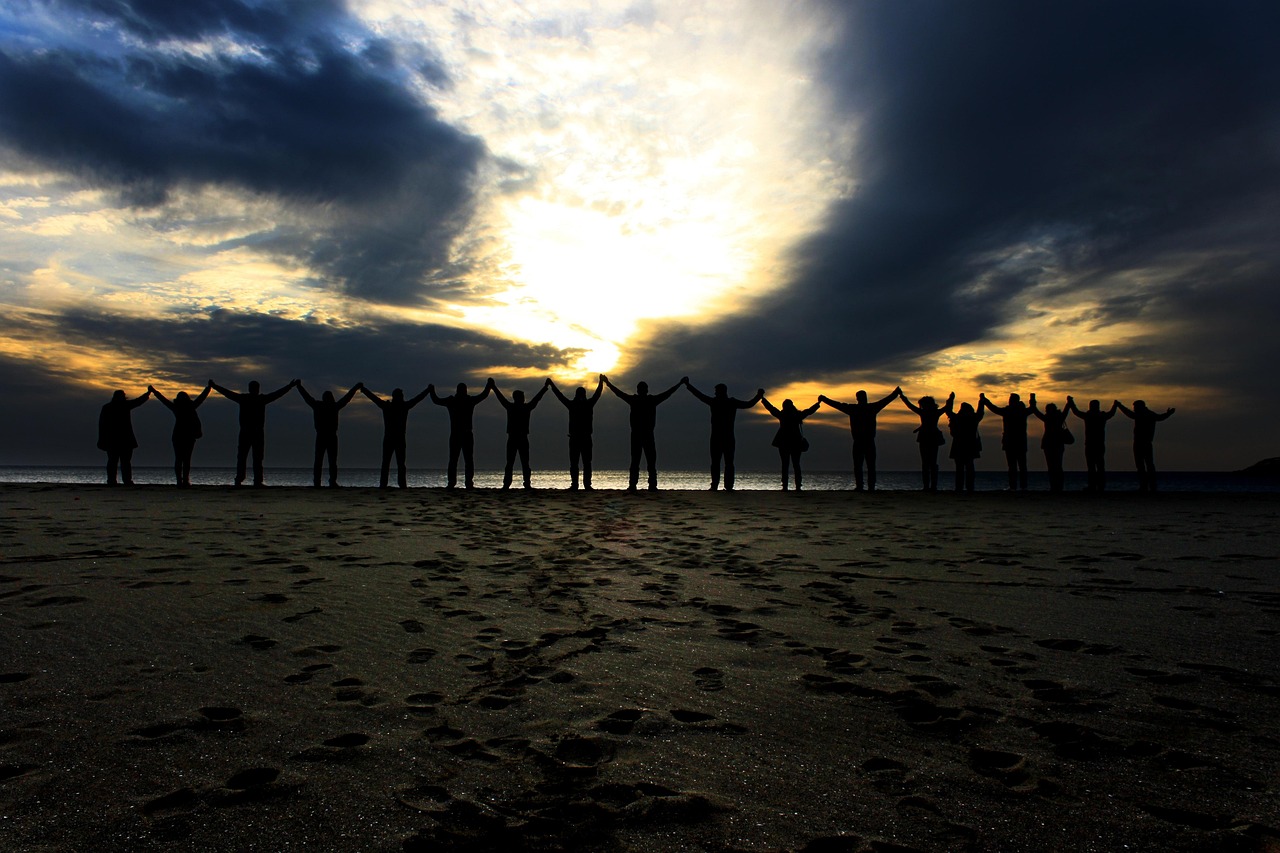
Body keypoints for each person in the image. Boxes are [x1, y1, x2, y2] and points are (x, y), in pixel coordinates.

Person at [210, 379, 297, 487]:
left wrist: (215, 386)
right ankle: (250, 480)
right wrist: (289, 386)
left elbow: (229, 394)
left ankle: (247, 479)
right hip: (253, 432)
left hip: (250, 432)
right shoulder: (257, 399)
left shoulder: (248, 399)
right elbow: (276, 395)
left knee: (250, 457)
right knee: (251, 457)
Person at [603, 376, 685, 491]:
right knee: (641, 461)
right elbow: (668, 393)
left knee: (645, 461)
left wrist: (679, 383)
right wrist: (608, 383)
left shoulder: (644, 400)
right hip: (641, 435)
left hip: (644, 434)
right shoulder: (643, 400)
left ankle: (642, 485)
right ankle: (640, 485)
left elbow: (668, 393)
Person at [818, 387, 902, 491]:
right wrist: (895, 393)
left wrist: (824, 399)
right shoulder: (870, 408)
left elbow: (838, 405)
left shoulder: (855, 409)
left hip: (861, 441)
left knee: (860, 466)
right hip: (866, 441)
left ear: (857, 398)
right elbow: (885, 401)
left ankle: (861, 486)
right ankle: (869, 487)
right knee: (868, 466)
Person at [685, 381, 764, 490]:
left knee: (721, 462)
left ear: (721, 392)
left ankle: (719, 485)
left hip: (721, 437)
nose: (715, 394)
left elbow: (700, 396)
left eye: (716, 392)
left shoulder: (719, 402)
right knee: (724, 463)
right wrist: (759, 396)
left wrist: (688, 385)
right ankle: (725, 485)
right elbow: (748, 404)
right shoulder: (727, 402)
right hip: (725, 437)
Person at [361, 385, 430, 488]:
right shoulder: (398, 406)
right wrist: (428, 390)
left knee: (393, 464)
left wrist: (364, 390)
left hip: (394, 438)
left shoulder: (392, 406)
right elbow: (417, 399)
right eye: (400, 396)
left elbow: (374, 398)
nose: (401, 397)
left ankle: (391, 484)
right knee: (395, 464)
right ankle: (395, 484)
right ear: (397, 397)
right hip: (395, 438)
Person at [297, 382, 362, 488]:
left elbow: (307, 397)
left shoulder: (322, 406)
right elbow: (346, 398)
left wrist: (299, 386)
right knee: (329, 461)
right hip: (328, 436)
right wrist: (355, 388)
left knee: (323, 460)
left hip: (325, 435)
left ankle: (320, 482)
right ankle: (327, 481)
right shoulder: (332, 406)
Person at [429, 381, 493, 489]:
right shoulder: (463, 401)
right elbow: (483, 395)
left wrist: (431, 391)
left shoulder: (455, 401)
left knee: (459, 459)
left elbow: (436, 400)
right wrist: (489, 385)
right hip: (461, 434)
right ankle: (460, 483)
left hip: (460, 434)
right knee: (462, 459)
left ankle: (458, 482)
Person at [490, 378, 550, 490]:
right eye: (522, 397)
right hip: (517, 437)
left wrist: (493, 387)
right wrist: (545, 387)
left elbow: (536, 399)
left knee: (517, 463)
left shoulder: (515, 407)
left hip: (517, 437)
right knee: (517, 463)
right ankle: (517, 483)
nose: (523, 399)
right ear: (518, 398)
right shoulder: (520, 407)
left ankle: (514, 484)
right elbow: (536, 399)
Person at [149, 381, 211, 486]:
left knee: (179, 459)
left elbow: (163, 400)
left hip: (178, 436)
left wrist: (154, 391)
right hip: (188, 436)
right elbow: (202, 397)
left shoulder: (176, 407)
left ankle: (180, 480)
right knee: (186, 459)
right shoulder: (190, 407)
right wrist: (208, 388)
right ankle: (185, 480)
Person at [548, 376, 604, 490]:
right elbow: (560, 396)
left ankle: (584, 485)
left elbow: (560, 396)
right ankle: (578, 485)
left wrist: (601, 382)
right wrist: (601, 382)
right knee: (577, 463)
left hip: (583, 438)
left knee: (584, 463)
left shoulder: (582, 405)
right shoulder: (578, 405)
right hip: (577, 438)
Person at [761, 396, 821, 490]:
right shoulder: (797, 415)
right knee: (796, 464)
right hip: (795, 442)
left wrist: (763, 400)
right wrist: (818, 404)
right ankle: (798, 486)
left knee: (785, 465)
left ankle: (785, 486)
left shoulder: (782, 415)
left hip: (784, 443)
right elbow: (809, 411)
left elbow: (771, 409)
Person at [980, 392, 1036, 490]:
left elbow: (994, 409)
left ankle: (1016, 486)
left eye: (1011, 399)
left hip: (1013, 442)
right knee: (1018, 466)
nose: (1009, 401)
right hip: (1017, 442)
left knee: (1015, 466)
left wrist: (985, 400)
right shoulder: (1020, 411)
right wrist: (1032, 398)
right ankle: (1020, 486)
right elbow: (1032, 408)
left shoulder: (1010, 411)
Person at [1116, 400, 1175, 492]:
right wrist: (1168, 414)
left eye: (1135, 407)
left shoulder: (1142, 414)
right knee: (1148, 465)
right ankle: (1151, 486)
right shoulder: (1150, 414)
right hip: (1146, 443)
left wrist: (1119, 406)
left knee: (1142, 465)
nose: (1134, 409)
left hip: (1141, 443)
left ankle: (1145, 486)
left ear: (1139, 407)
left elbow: (1130, 414)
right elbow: (1160, 417)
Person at [97, 387, 151, 485]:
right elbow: (138, 401)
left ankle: (113, 480)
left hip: (113, 439)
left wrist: (102, 439)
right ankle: (124, 480)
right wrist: (148, 393)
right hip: (123, 439)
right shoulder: (124, 405)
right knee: (123, 462)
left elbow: (101, 425)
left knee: (114, 461)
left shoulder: (108, 407)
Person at [902, 392, 954, 491]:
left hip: (926, 437)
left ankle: (928, 486)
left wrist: (902, 397)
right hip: (931, 437)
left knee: (927, 462)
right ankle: (931, 486)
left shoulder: (925, 412)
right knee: (931, 462)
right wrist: (951, 399)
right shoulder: (935, 412)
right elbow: (947, 407)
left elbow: (910, 406)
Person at [1066, 397, 1119, 492]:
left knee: (1092, 466)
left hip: (1091, 444)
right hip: (1098, 444)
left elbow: (1076, 412)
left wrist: (1071, 403)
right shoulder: (1101, 416)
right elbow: (1111, 413)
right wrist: (1115, 405)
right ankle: (1100, 486)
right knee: (1099, 466)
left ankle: (1093, 486)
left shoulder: (1089, 416)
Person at [1031, 399, 1072, 492]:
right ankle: (1058, 486)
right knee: (1057, 466)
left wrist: (1032, 400)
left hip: (1050, 444)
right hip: (1057, 444)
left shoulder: (1048, 418)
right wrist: (1069, 403)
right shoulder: (1060, 417)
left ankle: (1054, 486)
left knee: (1052, 466)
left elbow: (1036, 411)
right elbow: (1066, 410)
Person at [946, 400, 984, 493]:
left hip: (959, 446)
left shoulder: (956, 418)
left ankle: (959, 487)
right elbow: (980, 412)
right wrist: (981, 401)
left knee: (960, 468)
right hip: (970, 446)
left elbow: (948, 411)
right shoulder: (973, 418)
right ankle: (970, 487)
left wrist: (950, 400)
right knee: (969, 467)